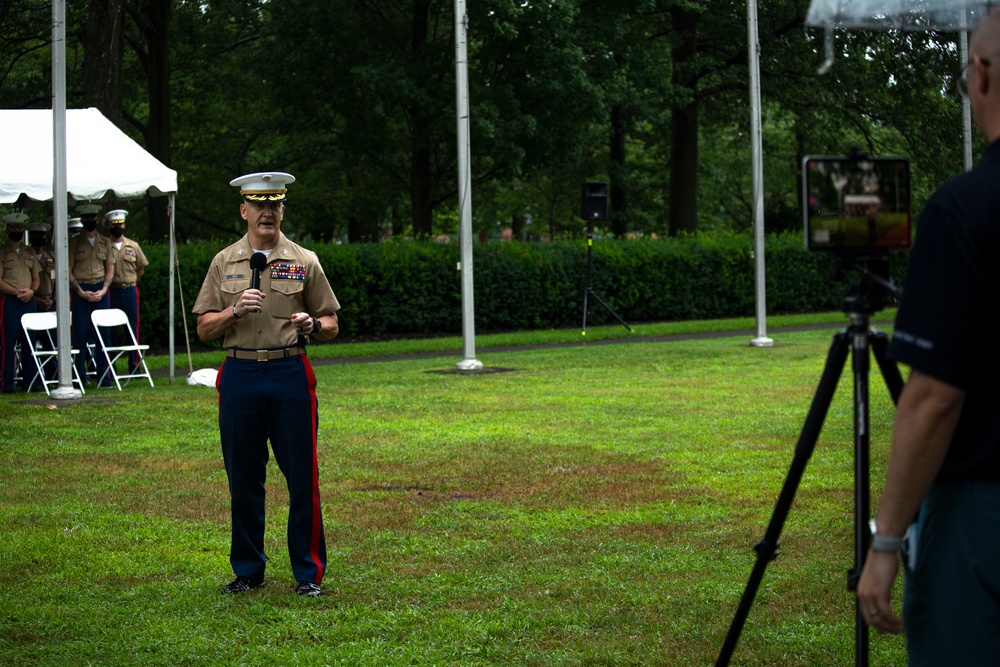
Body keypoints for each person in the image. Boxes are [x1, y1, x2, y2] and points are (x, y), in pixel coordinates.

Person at [856, 8, 1000, 664]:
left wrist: (886, 544)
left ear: (982, 76)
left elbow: (935, 397)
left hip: (982, 517)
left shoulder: (963, 209)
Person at [192, 172, 340, 597]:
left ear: (282, 210)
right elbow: (204, 328)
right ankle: (248, 570)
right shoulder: (225, 262)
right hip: (239, 375)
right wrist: (233, 310)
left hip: (289, 373)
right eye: (259, 205)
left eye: (275, 204)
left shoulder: (304, 260)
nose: (267, 213)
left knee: (302, 477)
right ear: (244, 211)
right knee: (242, 477)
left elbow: (330, 320)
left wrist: (313, 323)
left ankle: (307, 574)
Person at [68, 203, 115, 387]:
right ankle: (79, 378)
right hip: (81, 292)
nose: (90, 221)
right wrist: (80, 292)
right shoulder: (74, 243)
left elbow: (110, 270)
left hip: (100, 291)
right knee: (79, 337)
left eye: (92, 218)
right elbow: (68, 271)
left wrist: (103, 290)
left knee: (103, 337)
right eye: (86, 218)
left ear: (97, 219)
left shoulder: (105, 242)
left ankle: (104, 378)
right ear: (82, 220)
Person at [1, 212, 40, 392]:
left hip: (29, 301)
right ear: (8, 229)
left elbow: (36, 277)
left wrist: (32, 291)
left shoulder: (29, 252)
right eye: (14, 227)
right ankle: (7, 384)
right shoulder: (2, 252)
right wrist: (16, 292)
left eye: (20, 227)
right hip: (10, 301)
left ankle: (30, 383)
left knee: (30, 344)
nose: (17, 230)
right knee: (8, 343)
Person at [106, 209, 148, 372]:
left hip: (130, 290)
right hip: (112, 291)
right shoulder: (105, 245)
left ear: (124, 225)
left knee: (132, 328)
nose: (118, 227)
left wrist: (131, 280)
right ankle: (111, 367)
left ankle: (134, 365)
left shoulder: (133, 246)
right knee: (111, 331)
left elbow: (141, 269)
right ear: (109, 226)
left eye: (120, 224)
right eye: (114, 224)